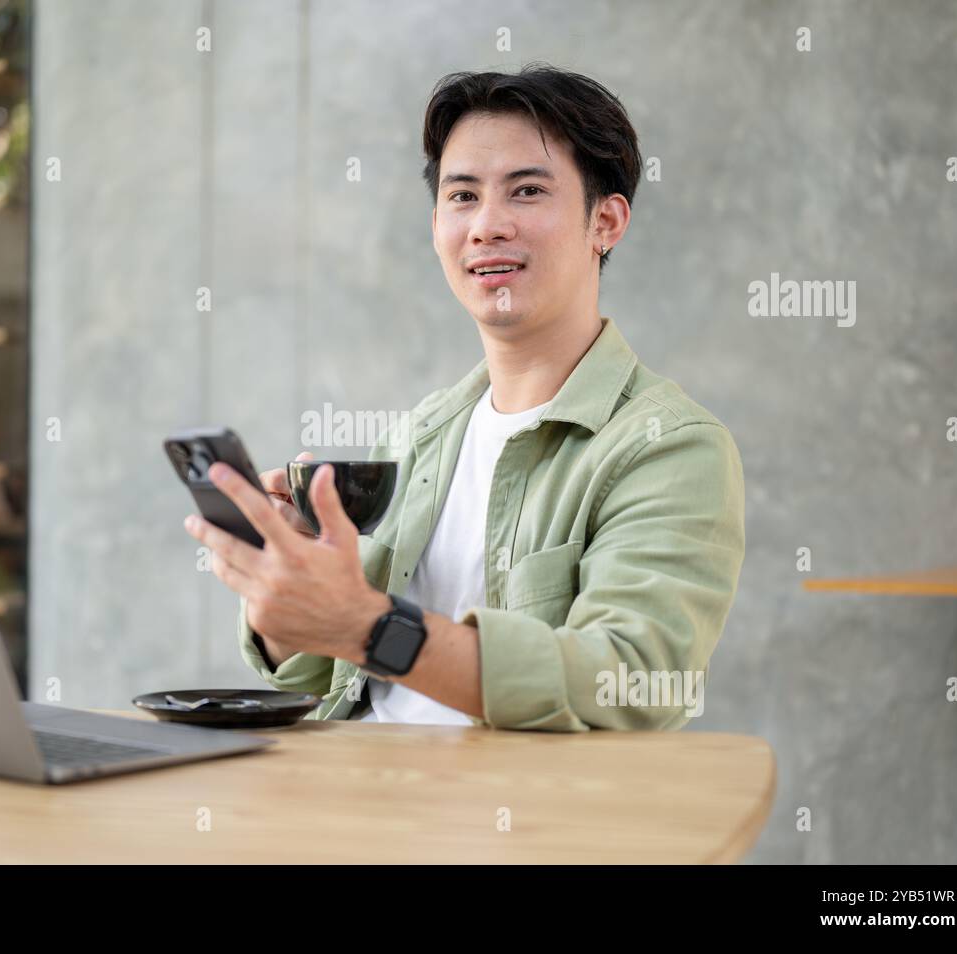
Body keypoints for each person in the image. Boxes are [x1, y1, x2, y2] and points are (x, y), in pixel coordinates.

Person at [182, 63, 745, 731]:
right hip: (357, 797)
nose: (486, 226)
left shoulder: (670, 448)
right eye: (461, 196)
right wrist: (292, 595)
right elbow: (331, 678)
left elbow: (632, 682)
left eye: (527, 191)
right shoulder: (421, 436)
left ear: (607, 222)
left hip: (515, 823)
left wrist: (369, 625)